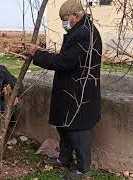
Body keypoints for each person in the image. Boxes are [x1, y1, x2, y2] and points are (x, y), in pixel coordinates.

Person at [26, 0, 102, 179]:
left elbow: (64, 61)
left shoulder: (84, 33)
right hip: (71, 90)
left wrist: (37, 54)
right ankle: (64, 159)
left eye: (65, 19)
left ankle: (83, 170)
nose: (64, 23)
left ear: (76, 15)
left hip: (79, 92)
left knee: (79, 131)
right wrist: (41, 52)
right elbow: (67, 57)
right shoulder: (81, 30)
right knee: (66, 127)